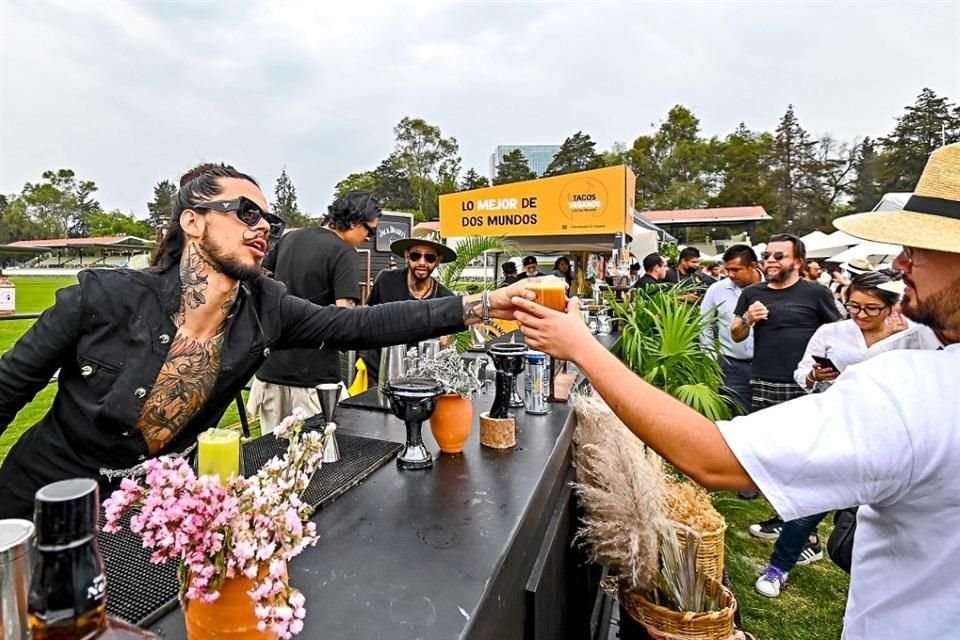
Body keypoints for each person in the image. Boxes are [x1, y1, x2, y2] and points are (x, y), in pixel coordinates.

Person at [512, 142, 960, 639]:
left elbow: (711, 456)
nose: (900, 263)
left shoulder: (915, 392)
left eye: (919, 248)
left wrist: (582, 348)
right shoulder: (918, 368)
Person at [0, 162, 535, 519]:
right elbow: (7, 389)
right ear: (192, 220)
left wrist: (483, 304)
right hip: (41, 501)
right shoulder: (101, 298)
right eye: (246, 213)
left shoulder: (267, 307)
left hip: (158, 511)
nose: (263, 228)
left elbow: (357, 325)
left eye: (269, 220)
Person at [753, 271, 943, 598]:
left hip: (890, 434)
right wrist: (814, 374)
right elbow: (802, 373)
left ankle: (868, 581)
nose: (861, 315)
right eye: (853, 306)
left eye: (871, 309)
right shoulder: (832, 331)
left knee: (868, 517)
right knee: (811, 502)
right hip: (839, 426)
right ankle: (779, 567)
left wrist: (895, 342)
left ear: (891, 306)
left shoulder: (914, 336)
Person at [247, 190, 380, 433]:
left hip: (269, 369)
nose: (369, 238)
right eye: (369, 230)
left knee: (270, 458)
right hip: (314, 381)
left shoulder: (289, 239)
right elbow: (344, 321)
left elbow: (258, 282)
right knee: (319, 461)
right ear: (352, 222)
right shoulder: (344, 252)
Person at [731, 234, 840, 411]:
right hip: (763, 380)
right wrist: (748, 319)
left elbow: (836, 333)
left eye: (779, 256)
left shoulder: (817, 293)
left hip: (805, 380)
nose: (771, 260)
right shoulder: (751, 293)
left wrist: (823, 371)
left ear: (798, 262)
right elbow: (736, 335)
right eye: (766, 256)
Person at [361, 237, 457, 384]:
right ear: (407, 255)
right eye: (415, 255)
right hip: (377, 372)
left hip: (419, 381)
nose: (422, 263)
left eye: (430, 257)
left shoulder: (445, 299)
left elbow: (444, 344)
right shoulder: (386, 280)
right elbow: (366, 317)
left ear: (438, 261)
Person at [699, 245, 762, 413]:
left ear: (753, 266)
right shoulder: (717, 290)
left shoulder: (774, 288)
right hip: (732, 366)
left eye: (735, 270)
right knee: (735, 415)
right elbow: (705, 325)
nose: (730, 275)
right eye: (727, 270)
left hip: (768, 365)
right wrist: (712, 358)